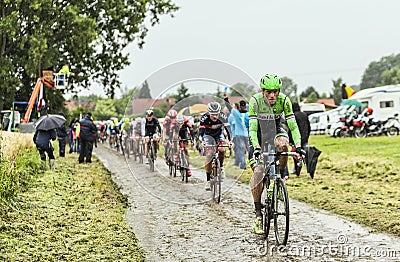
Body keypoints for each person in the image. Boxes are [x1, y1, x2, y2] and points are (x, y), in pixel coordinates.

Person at [248, 73, 304, 234]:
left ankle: (278, 175)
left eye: (275, 91)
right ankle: (258, 215)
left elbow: (292, 126)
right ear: (262, 91)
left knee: (283, 145)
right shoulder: (255, 101)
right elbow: (252, 129)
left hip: (276, 132)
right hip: (258, 135)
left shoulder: (284, 101)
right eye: (268, 92)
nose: (272, 95)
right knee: (258, 172)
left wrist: (298, 146)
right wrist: (257, 147)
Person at [198, 102, 232, 191]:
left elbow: (228, 130)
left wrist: (230, 141)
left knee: (221, 150)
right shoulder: (204, 118)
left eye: (216, 114)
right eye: (212, 114)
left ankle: (221, 168)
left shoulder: (223, 117)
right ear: (209, 113)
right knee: (209, 154)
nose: (215, 116)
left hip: (219, 134)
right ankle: (208, 180)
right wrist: (202, 141)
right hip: (207, 135)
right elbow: (200, 133)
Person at [285, 102, 311, 177]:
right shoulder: (305, 115)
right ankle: (308, 169)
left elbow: (291, 128)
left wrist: (289, 139)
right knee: (305, 155)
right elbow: (309, 127)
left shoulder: (293, 116)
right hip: (305, 138)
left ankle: (296, 170)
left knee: (296, 156)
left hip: (296, 140)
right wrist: (307, 136)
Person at [228, 100, 249, 170]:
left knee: (241, 150)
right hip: (247, 134)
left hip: (239, 134)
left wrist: (226, 99)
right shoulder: (248, 114)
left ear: (239, 106)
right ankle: (254, 162)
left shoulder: (236, 113)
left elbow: (229, 107)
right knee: (250, 150)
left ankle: (243, 164)